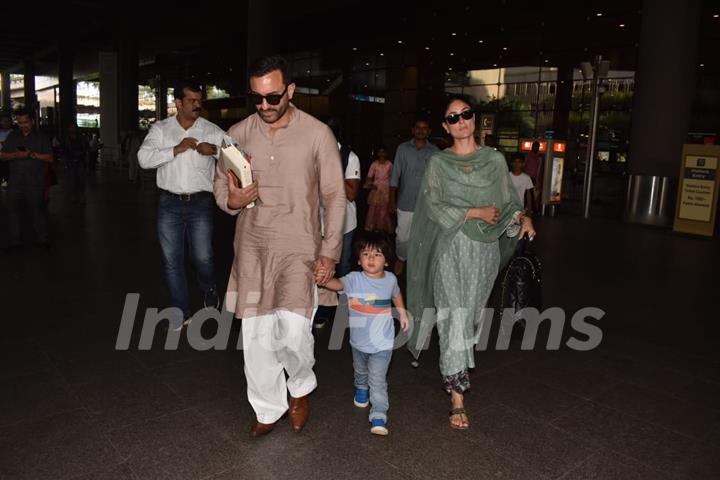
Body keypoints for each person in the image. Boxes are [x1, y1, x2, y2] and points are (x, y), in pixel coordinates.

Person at [213, 55, 345, 438]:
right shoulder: (235, 133)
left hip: (300, 247)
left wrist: (329, 251)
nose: (265, 106)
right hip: (252, 246)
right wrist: (231, 201)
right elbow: (221, 185)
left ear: (290, 90)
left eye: (273, 97)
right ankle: (267, 407)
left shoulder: (318, 133)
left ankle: (299, 389)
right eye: (257, 98)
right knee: (255, 337)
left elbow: (335, 196)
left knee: (294, 334)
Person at [406, 96, 536, 430]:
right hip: (450, 245)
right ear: (445, 126)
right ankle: (457, 395)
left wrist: (523, 219)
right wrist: (471, 212)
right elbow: (433, 205)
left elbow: (508, 202)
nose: (460, 121)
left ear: (474, 120)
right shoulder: (438, 163)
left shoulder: (494, 160)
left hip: (484, 251)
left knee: (472, 316)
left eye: (466, 114)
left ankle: (458, 372)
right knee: (454, 316)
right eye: (453, 117)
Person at [138, 81, 224, 325]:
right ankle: (181, 310)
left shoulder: (210, 129)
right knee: (172, 260)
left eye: (199, 100)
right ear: (178, 103)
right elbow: (143, 159)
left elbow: (237, 153)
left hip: (201, 203)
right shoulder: (161, 129)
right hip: (169, 203)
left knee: (203, 257)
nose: (197, 105)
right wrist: (174, 150)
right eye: (191, 100)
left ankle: (209, 290)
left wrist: (216, 150)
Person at [315, 232, 409, 435]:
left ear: (386, 261)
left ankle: (379, 415)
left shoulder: (390, 279)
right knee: (360, 371)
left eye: (377, 254)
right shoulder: (353, 279)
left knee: (378, 379)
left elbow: (396, 294)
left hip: (383, 343)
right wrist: (323, 279)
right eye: (366, 254)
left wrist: (402, 312)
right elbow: (337, 285)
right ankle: (360, 388)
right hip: (358, 342)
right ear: (359, 260)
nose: (371, 258)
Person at [312, 118, 362, 330]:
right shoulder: (310, 155)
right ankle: (321, 309)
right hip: (315, 223)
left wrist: (332, 169)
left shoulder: (349, 158)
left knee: (340, 266)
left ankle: (342, 309)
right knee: (316, 267)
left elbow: (351, 194)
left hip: (343, 224)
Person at [389, 118, 439, 276]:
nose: (421, 130)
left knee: (423, 237)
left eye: (425, 128)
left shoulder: (435, 152)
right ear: (413, 130)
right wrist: (391, 200)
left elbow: (438, 180)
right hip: (405, 202)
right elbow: (395, 176)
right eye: (418, 127)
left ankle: (418, 264)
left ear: (429, 131)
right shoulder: (402, 149)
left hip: (426, 205)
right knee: (402, 236)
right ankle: (401, 258)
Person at [0, 109, 54, 250]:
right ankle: (15, 241)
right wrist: (15, 155)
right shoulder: (13, 136)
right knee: (12, 211)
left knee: (37, 210)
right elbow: (2, 155)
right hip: (15, 182)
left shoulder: (41, 137)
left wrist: (31, 155)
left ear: (32, 121)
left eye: (26, 122)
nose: (23, 125)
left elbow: (50, 157)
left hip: (35, 182)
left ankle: (42, 239)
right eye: (20, 123)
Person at [364, 146, 394, 234]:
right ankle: (373, 226)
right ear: (377, 154)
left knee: (384, 208)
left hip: (386, 188)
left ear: (386, 153)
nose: (381, 154)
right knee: (374, 208)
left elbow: (392, 177)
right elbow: (369, 176)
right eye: (379, 152)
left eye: (383, 152)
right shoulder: (374, 164)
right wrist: (370, 185)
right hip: (376, 188)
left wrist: (393, 189)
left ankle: (383, 227)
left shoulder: (389, 164)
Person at [61, 123, 90, 204]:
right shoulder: (66, 139)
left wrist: (86, 159)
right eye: (71, 127)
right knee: (73, 179)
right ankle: (74, 194)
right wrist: (64, 161)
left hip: (80, 160)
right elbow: (63, 151)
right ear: (68, 129)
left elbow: (87, 149)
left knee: (81, 178)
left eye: (74, 127)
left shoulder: (82, 138)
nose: (72, 129)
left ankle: (81, 195)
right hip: (71, 161)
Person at [524, 140, 543, 210]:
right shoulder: (528, 155)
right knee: (528, 193)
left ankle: (529, 207)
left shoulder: (538, 157)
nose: (536, 148)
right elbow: (524, 165)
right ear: (532, 147)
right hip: (527, 177)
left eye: (537, 147)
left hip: (534, 178)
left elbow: (539, 169)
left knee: (531, 193)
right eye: (534, 147)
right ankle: (529, 207)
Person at [0, 113, 13, 189]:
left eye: (8, 121)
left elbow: (8, 144)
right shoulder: (0, 132)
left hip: (8, 159)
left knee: (8, 178)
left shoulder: (13, 133)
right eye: (4, 121)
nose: (6, 123)